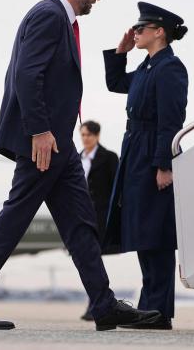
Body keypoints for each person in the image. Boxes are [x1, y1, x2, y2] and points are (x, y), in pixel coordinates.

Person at [0, 0, 160, 331]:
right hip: (44, 143)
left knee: (81, 225)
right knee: (15, 218)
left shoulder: (61, 20)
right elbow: (27, 75)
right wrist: (40, 131)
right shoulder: (49, 15)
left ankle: (104, 304)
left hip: (58, 144)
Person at [102, 2, 189, 330]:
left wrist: (164, 164)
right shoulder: (148, 67)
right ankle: (150, 308)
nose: (135, 33)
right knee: (143, 232)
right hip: (136, 153)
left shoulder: (170, 68)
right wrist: (120, 52)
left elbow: (172, 119)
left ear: (159, 32)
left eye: (141, 29)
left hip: (153, 151)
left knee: (157, 235)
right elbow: (115, 84)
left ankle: (158, 312)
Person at [78, 120, 119, 321]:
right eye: (83, 135)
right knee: (87, 259)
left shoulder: (109, 158)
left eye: (89, 135)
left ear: (97, 135)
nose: (85, 139)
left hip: (101, 218)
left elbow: (117, 188)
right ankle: (97, 304)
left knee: (93, 259)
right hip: (80, 217)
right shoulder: (76, 159)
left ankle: (97, 304)